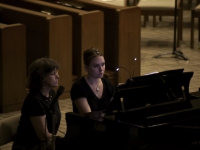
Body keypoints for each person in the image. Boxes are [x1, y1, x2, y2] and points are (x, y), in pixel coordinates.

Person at [12, 58, 62, 150]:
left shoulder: (52, 93)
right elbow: (43, 136)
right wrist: (65, 141)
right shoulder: (34, 100)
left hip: (45, 144)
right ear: (42, 77)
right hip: (29, 146)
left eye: (57, 72)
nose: (57, 76)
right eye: (53, 73)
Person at [70, 47, 115, 121]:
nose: (101, 69)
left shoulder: (109, 84)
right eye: (96, 66)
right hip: (87, 128)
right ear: (86, 68)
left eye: (103, 64)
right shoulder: (79, 87)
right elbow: (90, 119)